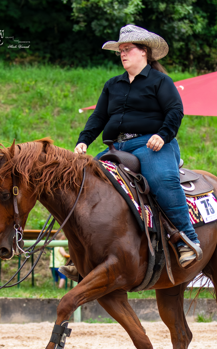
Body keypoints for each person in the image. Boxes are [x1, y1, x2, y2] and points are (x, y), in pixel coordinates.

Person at [74, 24, 201, 267]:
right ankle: (82, 250)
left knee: (162, 179)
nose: (122, 54)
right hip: (116, 148)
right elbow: (99, 117)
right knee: (83, 181)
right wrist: (83, 141)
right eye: (120, 50)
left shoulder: (161, 81)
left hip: (151, 144)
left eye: (127, 49)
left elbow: (175, 111)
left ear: (144, 51)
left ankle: (187, 240)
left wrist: (162, 135)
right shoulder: (112, 85)